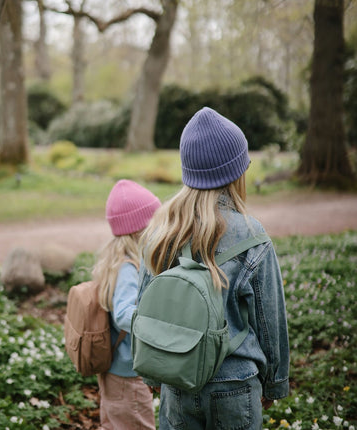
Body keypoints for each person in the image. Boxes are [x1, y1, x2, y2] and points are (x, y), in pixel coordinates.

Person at [138, 107, 289, 430]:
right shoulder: (251, 235)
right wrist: (275, 383)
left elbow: (144, 309)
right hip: (235, 382)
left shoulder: (161, 231)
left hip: (176, 380)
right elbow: (269, 319)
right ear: (236, 173)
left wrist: (153, 372)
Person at [93, 179, 161, 430]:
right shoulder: (127, 268)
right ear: (138, 230)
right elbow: (123, 314)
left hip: (117, 373)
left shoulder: (118, 262)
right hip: (128, 377)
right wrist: (156, 325)